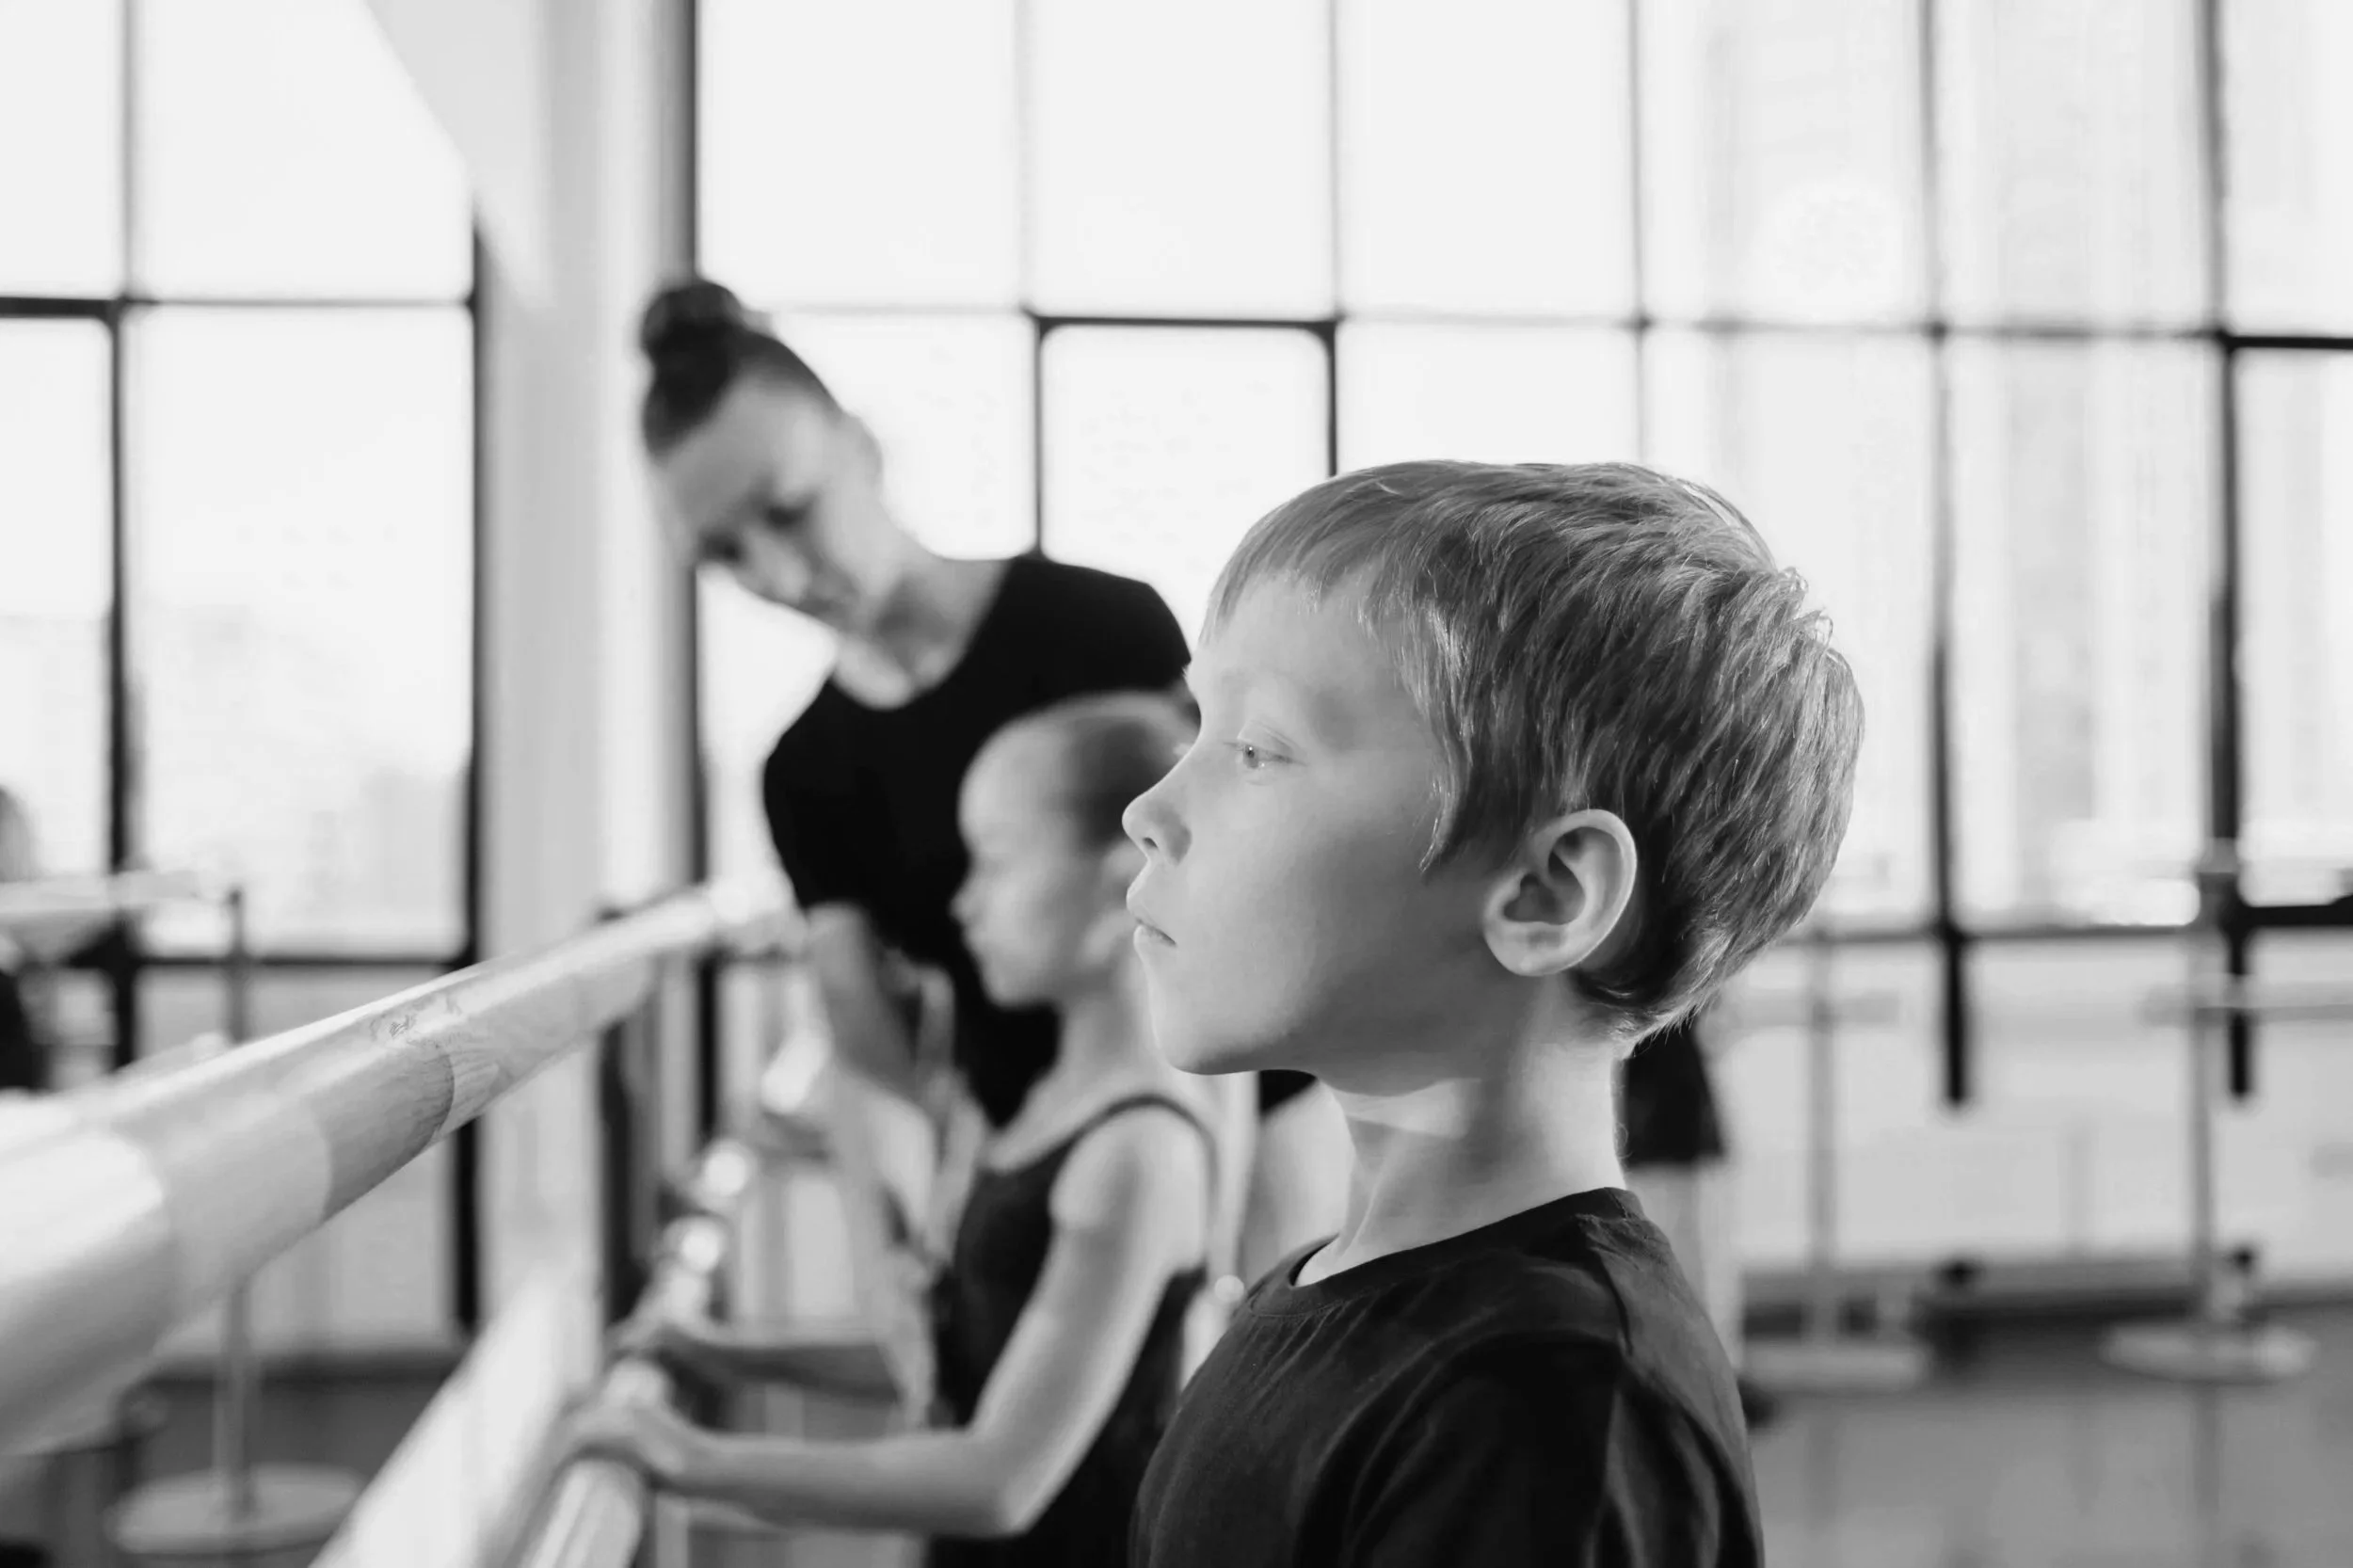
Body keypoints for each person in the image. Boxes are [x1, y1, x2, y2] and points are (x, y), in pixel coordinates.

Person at [1122, 461, 1862, 1565]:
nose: (1149, 811)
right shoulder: (1324, 1288)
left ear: (1545, 893)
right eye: (1197, 731)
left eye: (1257, 750)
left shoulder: (1548, 1404)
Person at [566, 693, 1222, 1564]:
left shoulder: (1137, 1149)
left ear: (1119, 884)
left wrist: (693, 1459)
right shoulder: (1044, 1101)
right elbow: (966, 1364)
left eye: (994, 863)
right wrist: (729, 1354)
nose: (963, 904)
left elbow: (996, 1479)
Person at [1623, 1010, 1781, 1429]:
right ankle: (1690, 1375)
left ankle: (1714, 1373)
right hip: (1652, 1113)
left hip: (1680, 1113)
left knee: (1705, 1252)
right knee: (1674, 1251)